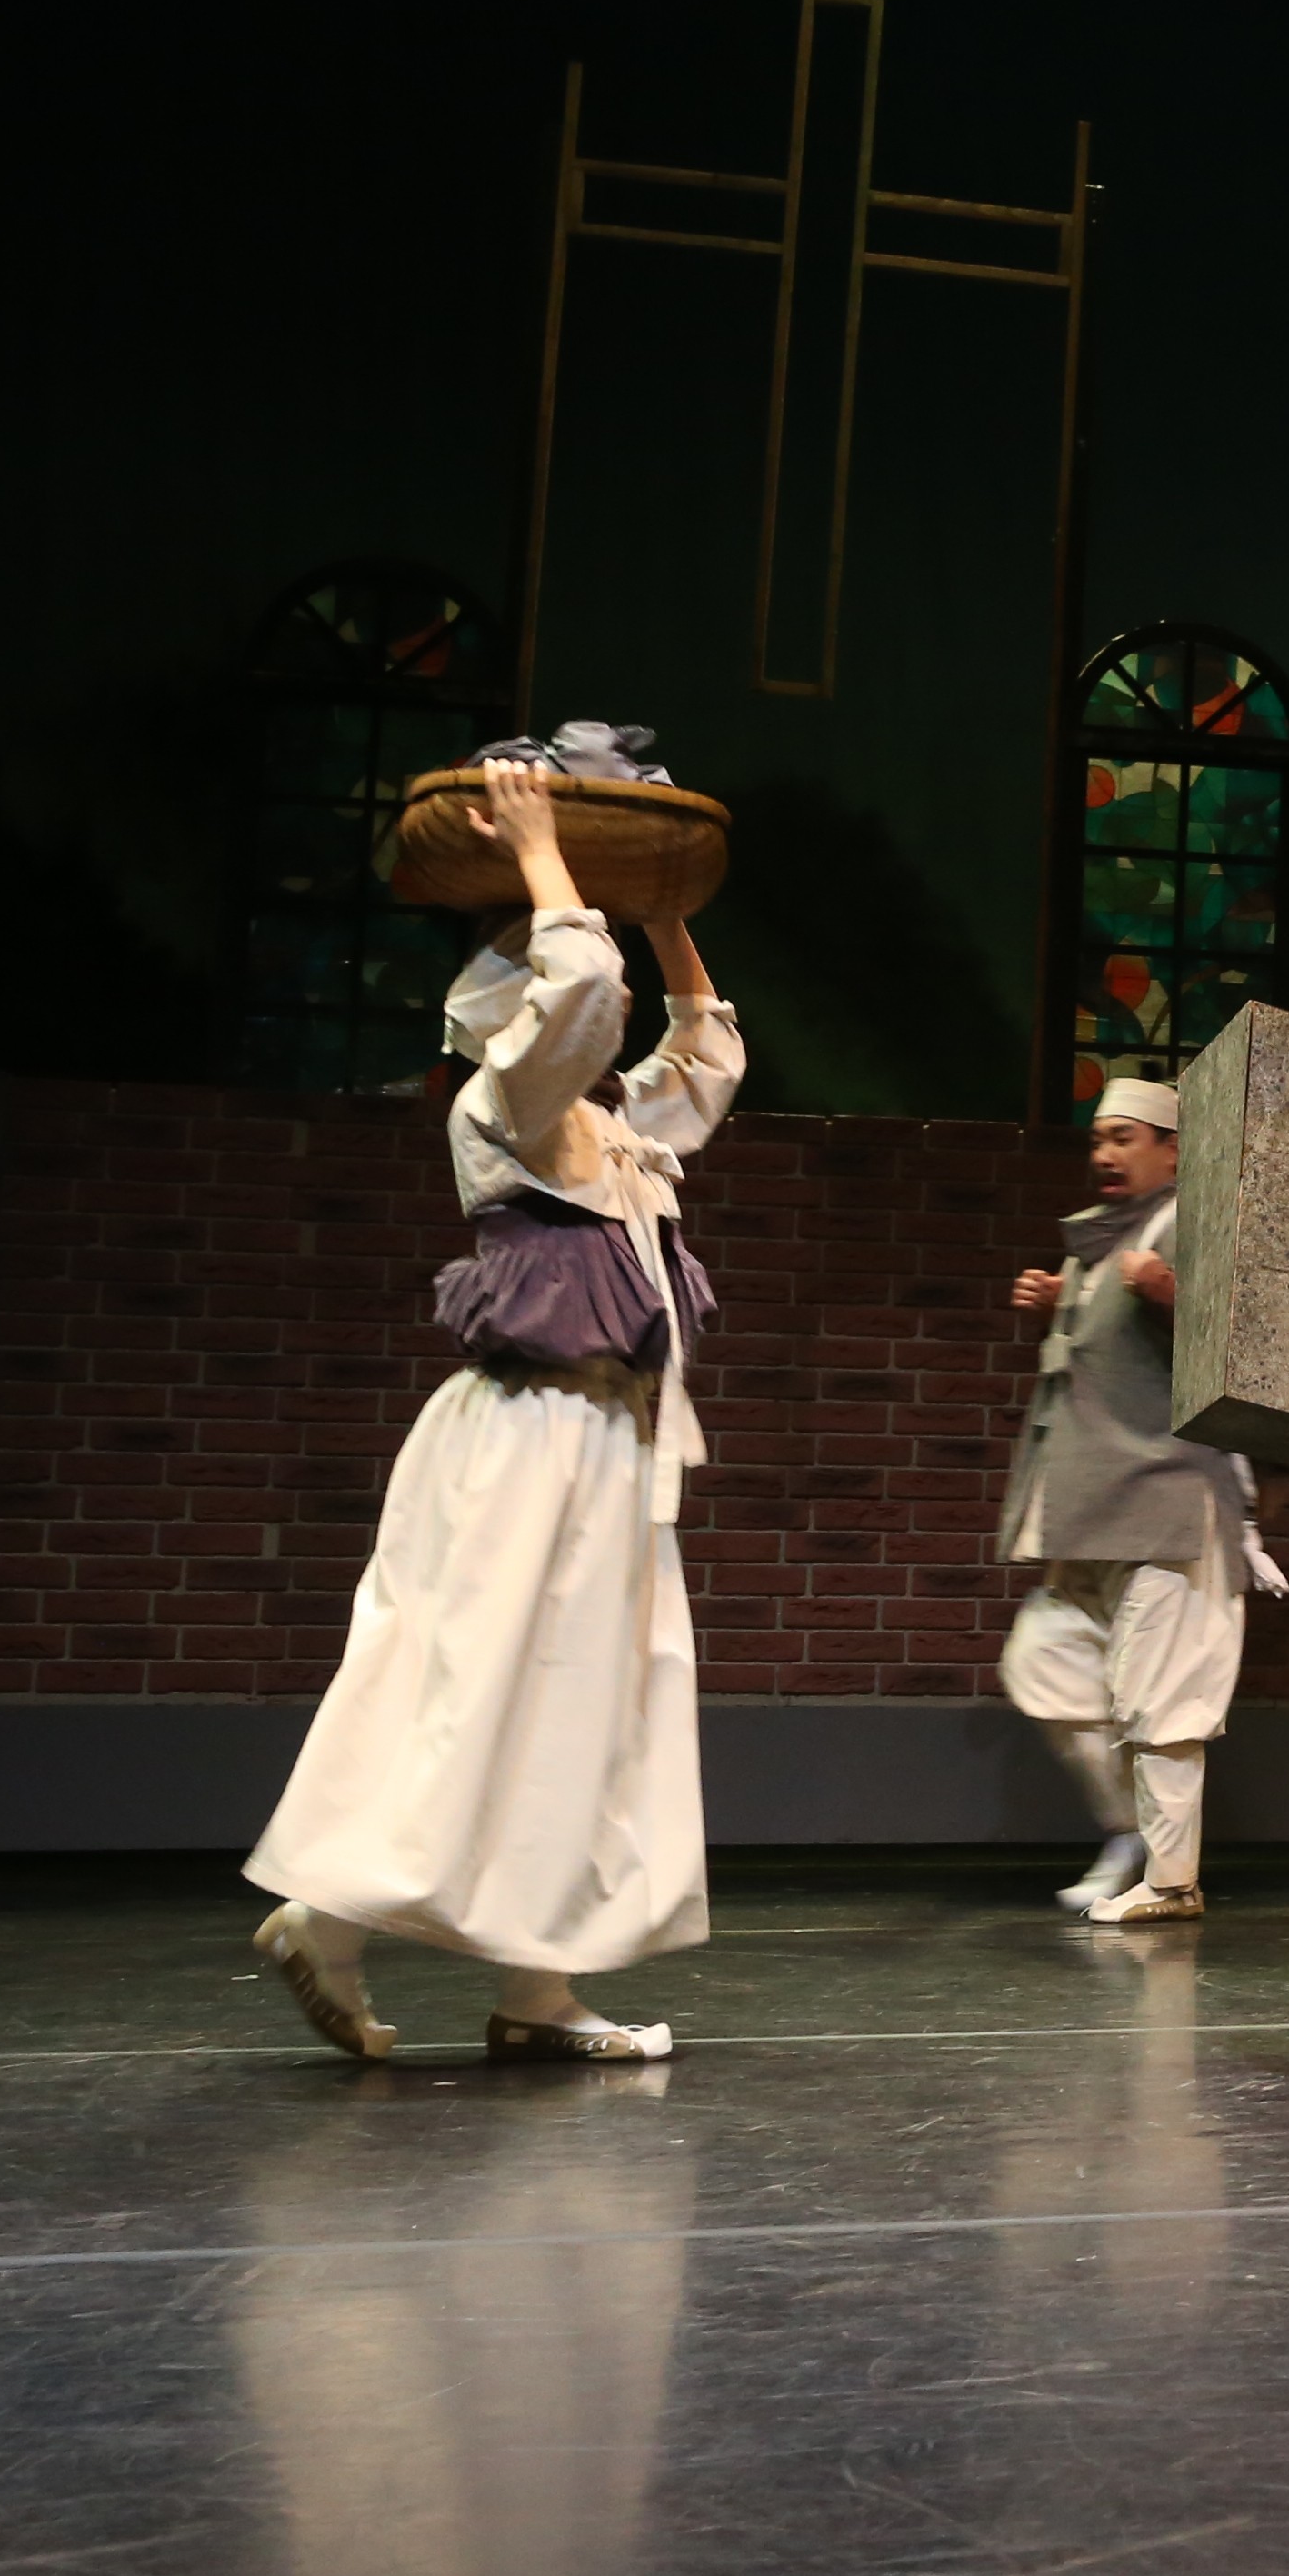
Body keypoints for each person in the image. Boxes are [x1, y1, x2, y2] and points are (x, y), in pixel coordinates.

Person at [245, 756, 741, 2062]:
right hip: (530, 1437)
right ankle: (328, 1918)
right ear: (510, 1018)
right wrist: (536, 849)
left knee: (594, 1703)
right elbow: (581, 992)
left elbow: (704, 1056)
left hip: (607, 1446)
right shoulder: (503, 1106)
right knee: (486, 1684)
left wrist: (664, 913)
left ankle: (539, 1990)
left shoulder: (616, 1127)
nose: (599, 1008)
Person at [996, 1074, 1282, 1925]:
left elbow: (1254, 1344)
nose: (1104, 1153)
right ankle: (1132, 1835)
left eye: (1124, 1137)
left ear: (1173, 1151)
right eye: (1097, 1138)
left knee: (1164, 1703)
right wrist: (1061, 1307)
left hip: (1170, 1505)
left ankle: (1170, 1880)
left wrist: (1169, 1293)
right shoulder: (1099, 1246)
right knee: (1045, 1667)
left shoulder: (1191, 1226)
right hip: (1092, 1510)